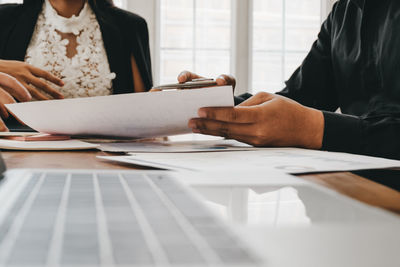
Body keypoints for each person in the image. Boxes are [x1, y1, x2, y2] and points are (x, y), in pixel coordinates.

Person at [180, 0, 400, 161]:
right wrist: (217, 103)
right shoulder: (343, 13)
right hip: (354, 187)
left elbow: (301, 119)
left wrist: (313, 128)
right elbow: (299, 99)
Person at [0, 0, 152, 129]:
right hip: (18, 156)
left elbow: (143, 120)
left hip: (105, 157)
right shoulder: (4, 19)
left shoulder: (130, 26)